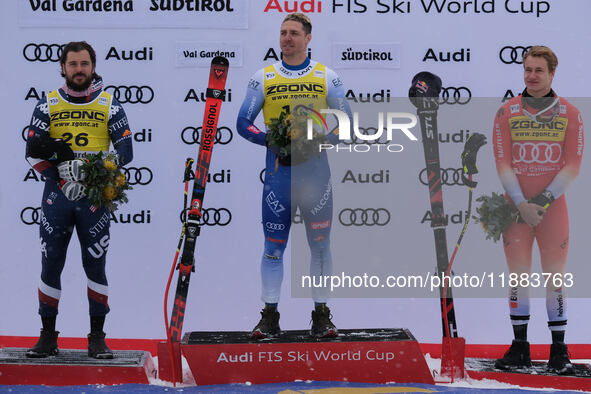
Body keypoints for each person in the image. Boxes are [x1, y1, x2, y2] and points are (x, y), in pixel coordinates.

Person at [236, 13, 352, 338]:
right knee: (273, 247)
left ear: (308, 38)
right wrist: (271, 139)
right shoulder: (263, 76)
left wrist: (316, 138)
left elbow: (347, 122)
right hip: (279, 179)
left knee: (319, 247)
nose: (287, 38)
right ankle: (269, 316)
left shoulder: (327, 76)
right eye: (283, 33)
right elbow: (243, 123)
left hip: (316, 177)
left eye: (294, 33)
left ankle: (322, 315)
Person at [25, 41, 133, 359]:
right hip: (57, 196)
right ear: (62, 68)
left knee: (95, 266)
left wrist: (90, 170)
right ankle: (47, 337)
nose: (79, 70)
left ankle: (97, 338)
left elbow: (125, 152)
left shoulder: (110, 105)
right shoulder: (47, 104)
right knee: (51, 264)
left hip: (93, 197)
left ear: (93, 66)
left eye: (84, 64)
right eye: (72, 64)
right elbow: (31, 153)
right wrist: (58, 177)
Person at [493, 46, 584, 374]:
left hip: (551, 211)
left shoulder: (570, 114)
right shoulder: (507, 112)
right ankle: (520, 348)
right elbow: (502, 164)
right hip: (515, 209)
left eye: (539, 71)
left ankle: (559, 351)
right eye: (527, 69)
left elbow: (573, 166)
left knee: (554, 279)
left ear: (552, 74)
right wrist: (521, 204)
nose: (531, 76)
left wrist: (541, 202)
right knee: (517, 277)